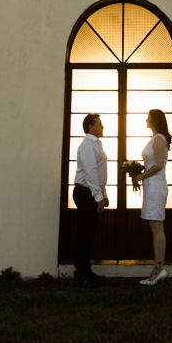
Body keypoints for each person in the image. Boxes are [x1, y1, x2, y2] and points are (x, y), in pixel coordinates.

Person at [131, 109, 170, 285]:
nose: (146, 120)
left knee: (157, 226)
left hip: (156, 186)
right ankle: (158, 268)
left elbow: (159, 165)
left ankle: (159, 268)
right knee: (154, 226)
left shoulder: (159, 139)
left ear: (154, 120)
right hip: (151, 186)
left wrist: (141, 176)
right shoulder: (155, 139)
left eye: (148, 117)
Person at [72, 113, 108, 287]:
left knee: (88, 233)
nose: (103, 126)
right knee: (84, 233)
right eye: (99, 124)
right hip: (85, 193)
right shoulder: (87, 145)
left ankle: (86, 271)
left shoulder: (96, 144)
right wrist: (99, 197)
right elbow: (91, 173)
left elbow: (99, 172)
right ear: (90, 127)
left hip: (91, 192)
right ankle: (81, 274)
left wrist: (103, 193)